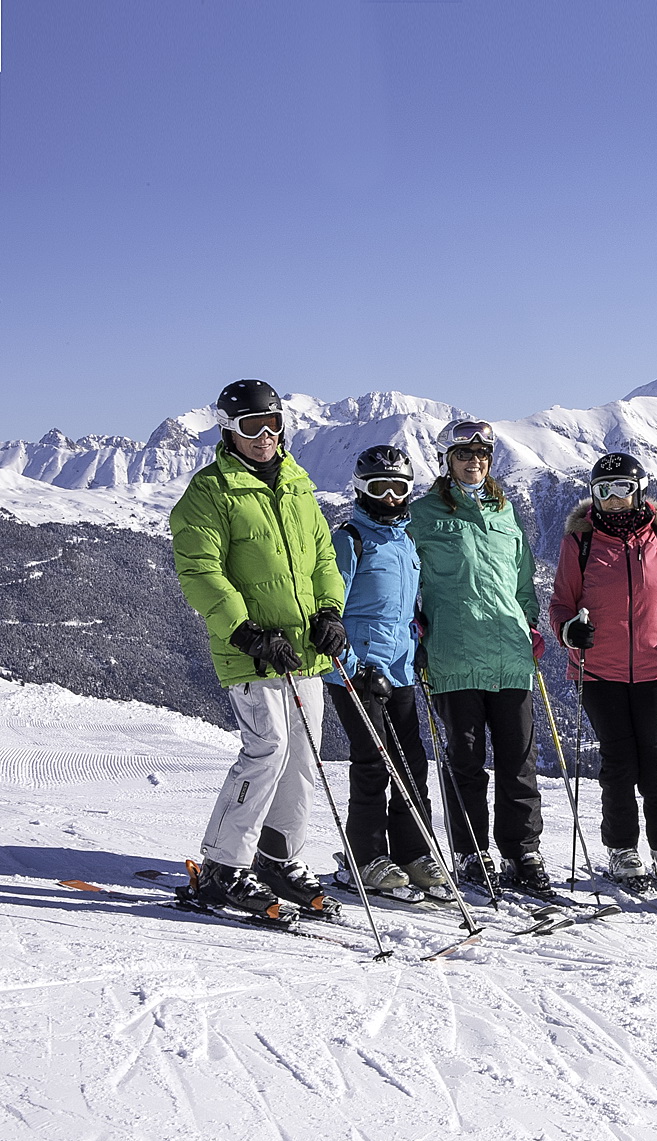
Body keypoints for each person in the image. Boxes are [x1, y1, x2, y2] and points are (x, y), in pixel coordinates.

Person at [163, 379, 345, 920]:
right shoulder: (209, 492)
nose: (265, 436)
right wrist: (243, 632)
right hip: (251, 652)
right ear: (229, 429)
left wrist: (330, 613)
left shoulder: (297, 482)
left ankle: (277, 857)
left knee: (304, 758)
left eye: (273, 423)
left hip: (303, 651)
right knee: (265, 752)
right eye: (251, 426)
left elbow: (323, 560)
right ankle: (222, 867)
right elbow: (199, 572)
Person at [410, 418, 551, 897]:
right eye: (465, 455)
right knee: (466, 761)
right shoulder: (423, 514)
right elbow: (408, 578)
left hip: (510, 654)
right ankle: (471, 851)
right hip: (453, 654)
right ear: (447, 461)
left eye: (483, 455)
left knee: (519, 761)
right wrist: (415, 624)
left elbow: (522, 579)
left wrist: (530, 625)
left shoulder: (504, 512)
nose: (475, 462)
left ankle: (522, 853)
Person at [550, 451, 657, 895]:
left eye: (623, 490)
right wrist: (569, 630)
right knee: (619, 762)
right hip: (598, 668)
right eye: (604, 491)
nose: (614, 500)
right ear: (593, 496)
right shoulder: (579, 541)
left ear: (640, 490)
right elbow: (561, 602)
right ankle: (622, 848)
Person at [324, 444, 452, 903]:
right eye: (381, 487)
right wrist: (358, 669)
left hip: (399, 670)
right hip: (357, 673)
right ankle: (365, 857)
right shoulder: (350, 539)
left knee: (412, 763)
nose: (392, 496)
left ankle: (415, 852)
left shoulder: (404, 541)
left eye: (400, 487)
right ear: (362, 489)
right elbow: (330, 614)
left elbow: (400, 610)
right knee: (373, 762)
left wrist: (418, 637)